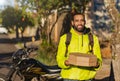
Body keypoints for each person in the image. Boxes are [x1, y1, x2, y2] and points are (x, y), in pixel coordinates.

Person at [56, 11, 102, 81]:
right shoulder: (65, 38)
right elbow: (59, 58)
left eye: (82, 20)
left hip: (87, 78)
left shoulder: (93, 38)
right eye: (77, 21)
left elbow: (99, 59)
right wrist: (65, 63)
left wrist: (97, 64)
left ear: (85, 22)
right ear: (72, 23)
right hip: (69, 78)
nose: (79, 23)